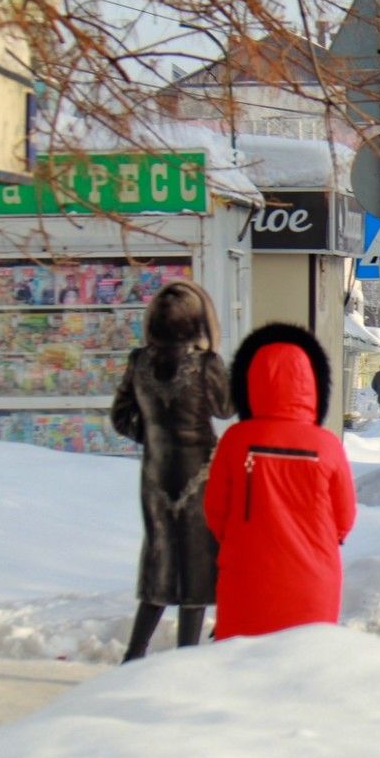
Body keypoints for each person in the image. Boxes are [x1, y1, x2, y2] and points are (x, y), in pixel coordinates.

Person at [204, 323, 357, 639]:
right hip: (315, 580)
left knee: (242, 670)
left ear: (250, 382)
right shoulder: (327, 445)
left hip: (245, 578)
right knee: (306, 668)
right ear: (313, 386)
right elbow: (345, 518)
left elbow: (215, 510)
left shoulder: (235, 441)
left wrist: (238, 539)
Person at [110, 281, 233, 661]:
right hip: (198, 473)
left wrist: (151, 434)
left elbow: (119, 416)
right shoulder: (204, 365)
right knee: (196, 564)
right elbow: (225, 409)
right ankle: (186, 658)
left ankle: (135, 652)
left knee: (159, 558)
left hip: (156, 474)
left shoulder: (140, 361)